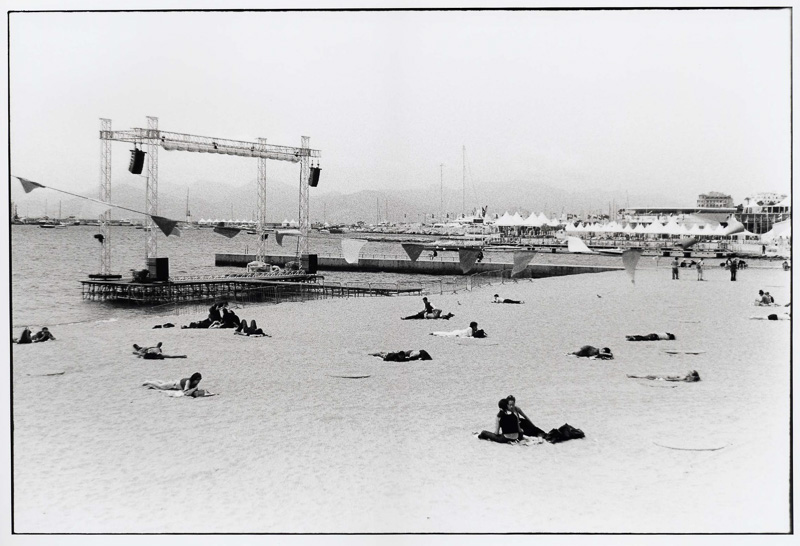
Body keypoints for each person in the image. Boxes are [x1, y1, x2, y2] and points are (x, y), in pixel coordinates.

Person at [142, 372, 211, 397]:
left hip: (175, 385)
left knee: (163, 384)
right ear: (194, 379)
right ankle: (148, 382)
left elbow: (193, 390)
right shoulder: (188, 382)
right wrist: (194, 389)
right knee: (161, 387)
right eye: (197, 380)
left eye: (199, 380)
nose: (198, 381)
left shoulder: (194, 384)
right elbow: (186, 391)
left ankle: (154, 381)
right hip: (173, 384)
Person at [627, 370, 701, 382]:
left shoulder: (684, 379)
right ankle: (632, 376)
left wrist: (667, 378)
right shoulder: (684, 378)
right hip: (663, 378)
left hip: (662, 379)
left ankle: (632, 376)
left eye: (690, 373)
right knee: (647, 376)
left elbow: (673, 380)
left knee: (647, 377)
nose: (689, 373)